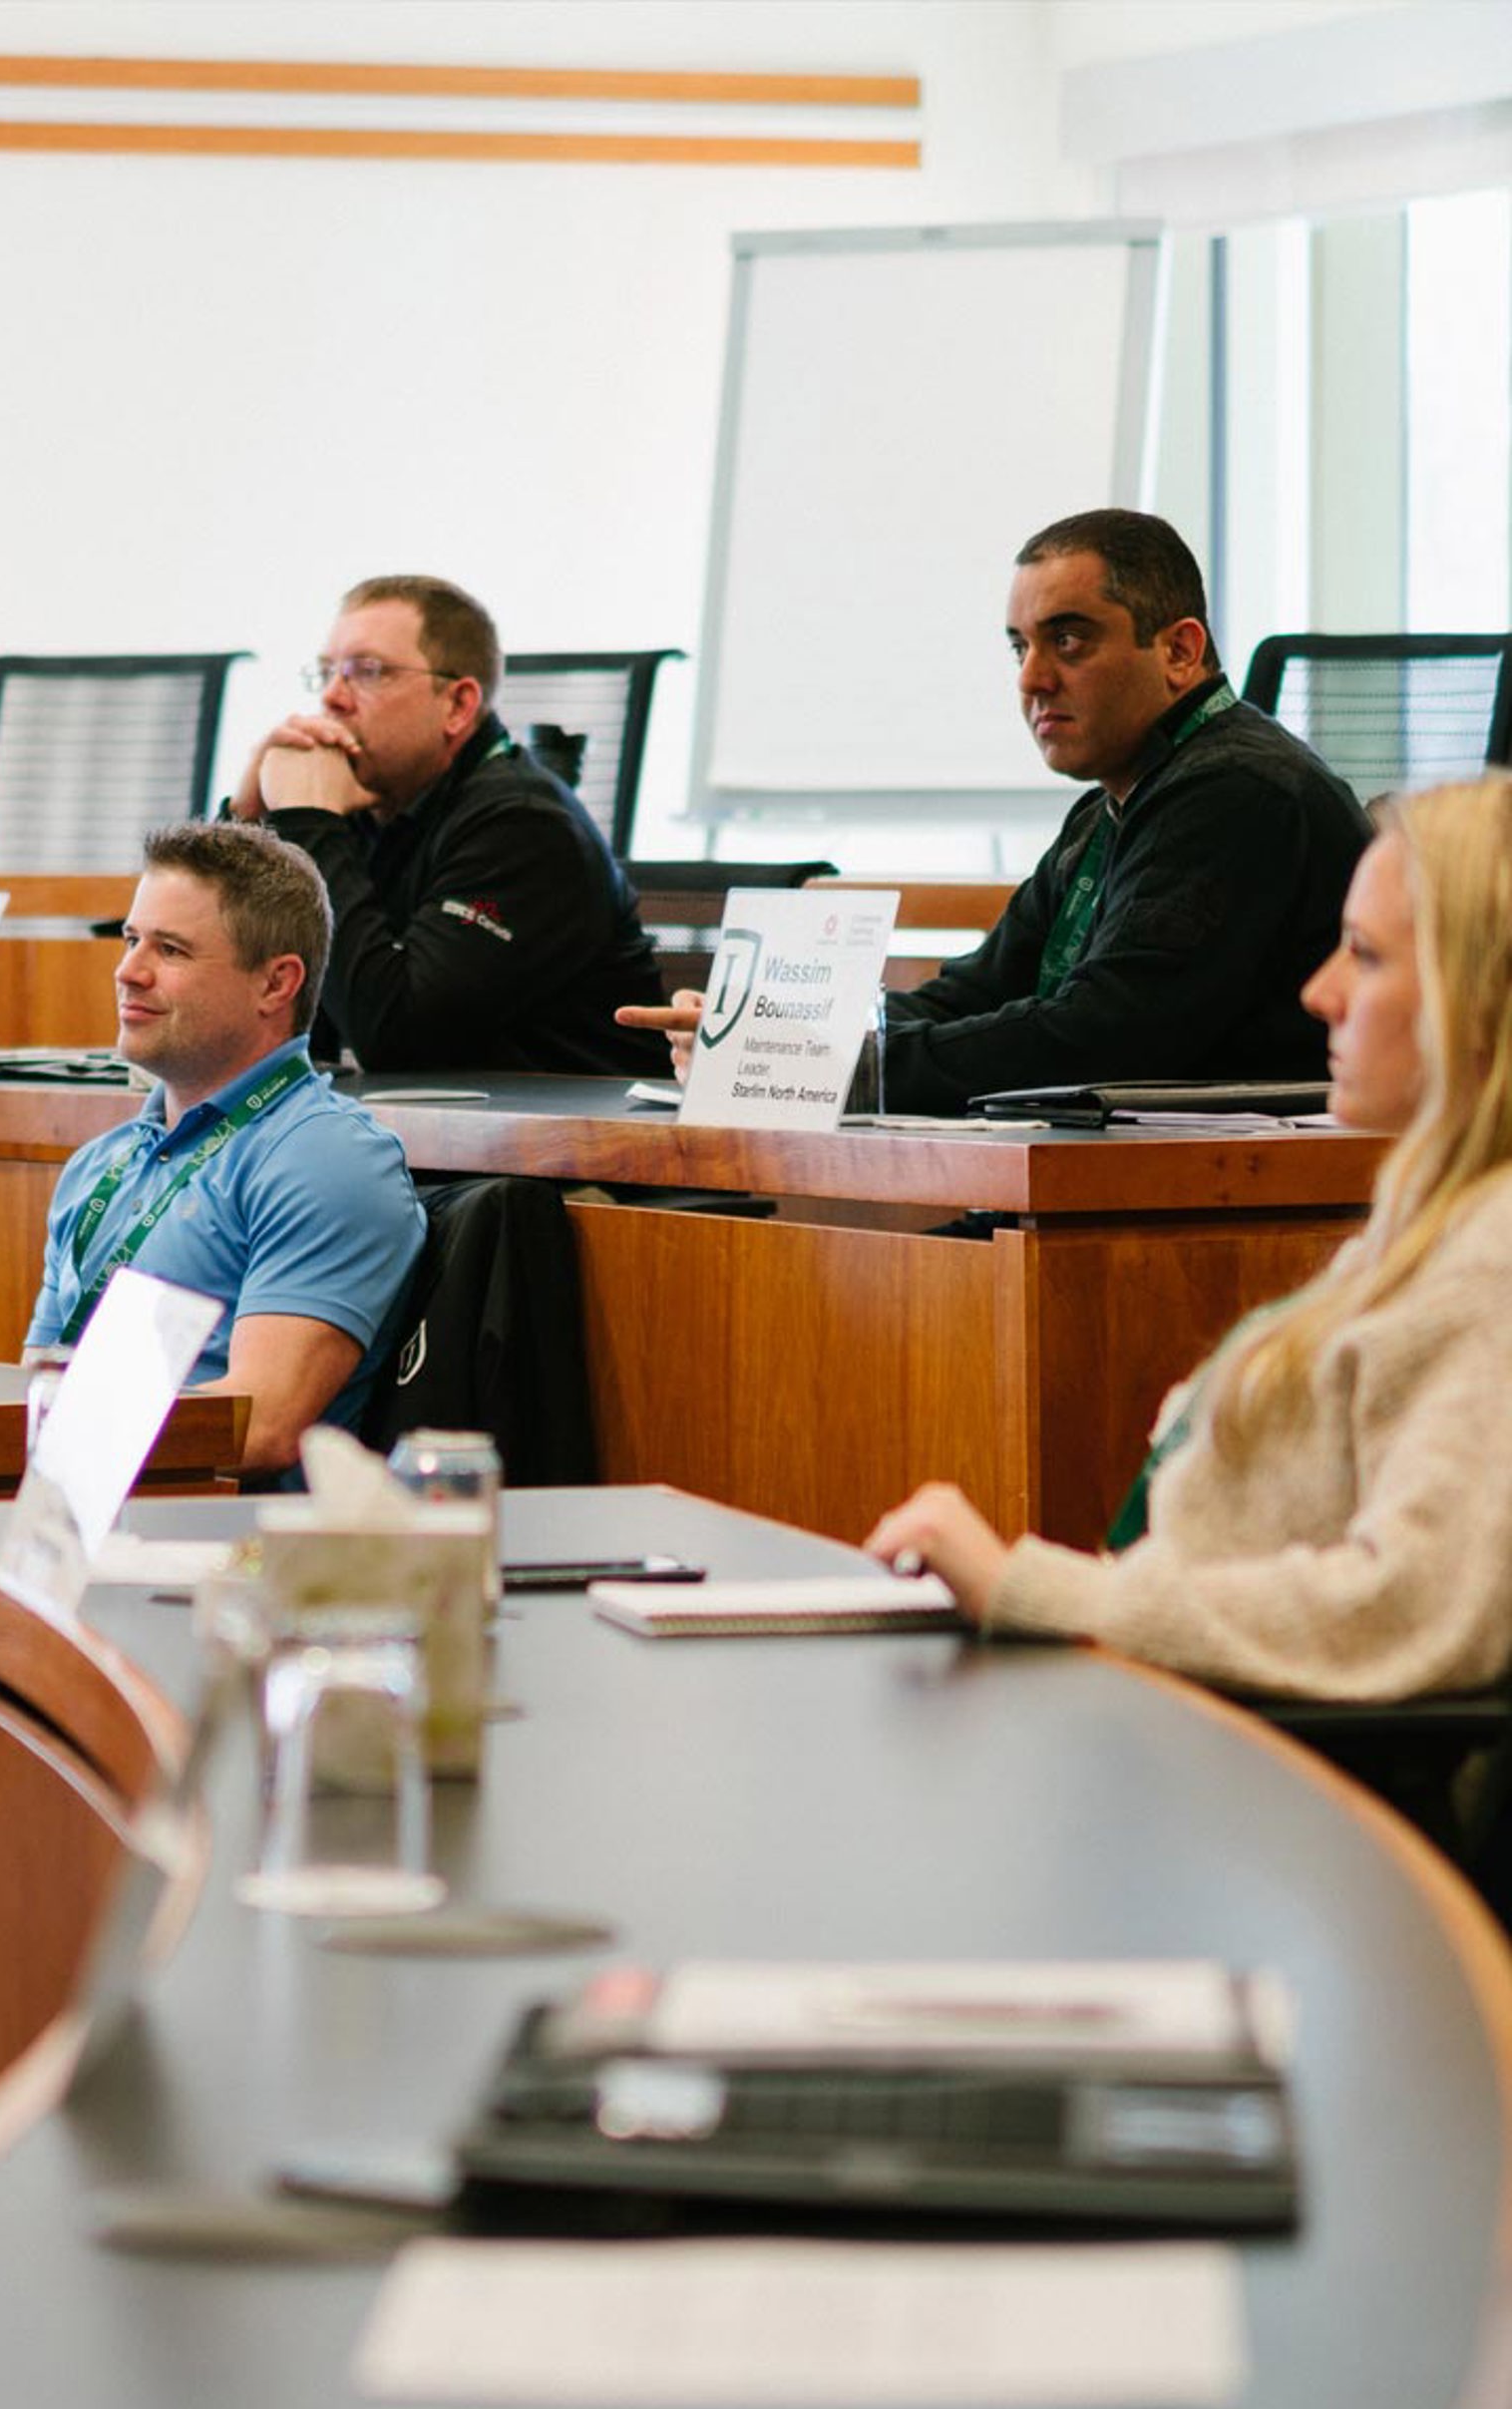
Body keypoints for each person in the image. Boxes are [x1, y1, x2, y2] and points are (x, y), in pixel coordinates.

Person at [866, 776, 1512, 1702]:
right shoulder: (1428, 1224)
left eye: (1364, 957)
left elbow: (1408, 1608)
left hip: (1280, 1788)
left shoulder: (1491, 1265)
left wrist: (1032, 1588)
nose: (1319, 992)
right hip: (1190, 1732)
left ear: (1482, 1005)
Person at [621, 512, 1366, 1112]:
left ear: (1179, 650)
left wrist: (847, 1066)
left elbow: (1102, 1034)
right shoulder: (1111, 805)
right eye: (1020, 648)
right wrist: (779, 1039)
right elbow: (979, 991)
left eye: (1069, 640)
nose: (1033, 680)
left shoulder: (1235, 792)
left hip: (1215, 1212)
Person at [26, 823, 425, 1476]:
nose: (128, 971)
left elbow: (259, 1425)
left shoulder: (326, 1157)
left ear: (276, 983)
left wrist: (61, 1418)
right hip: (75, 1519)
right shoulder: (97, 1165)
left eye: (172, 950)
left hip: (224, 1548)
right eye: (131, 940)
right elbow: (36, 1388)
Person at [239, 574, 669, 1077]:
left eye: (367, 671)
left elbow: (396, 1036)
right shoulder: (363, 803)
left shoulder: (525, 826)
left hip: (561, 1146)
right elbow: (227, 1000)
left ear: (458, 705)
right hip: (410, 1132)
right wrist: (247, 822)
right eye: (326, 672)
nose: (333, 697)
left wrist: (310, 825)